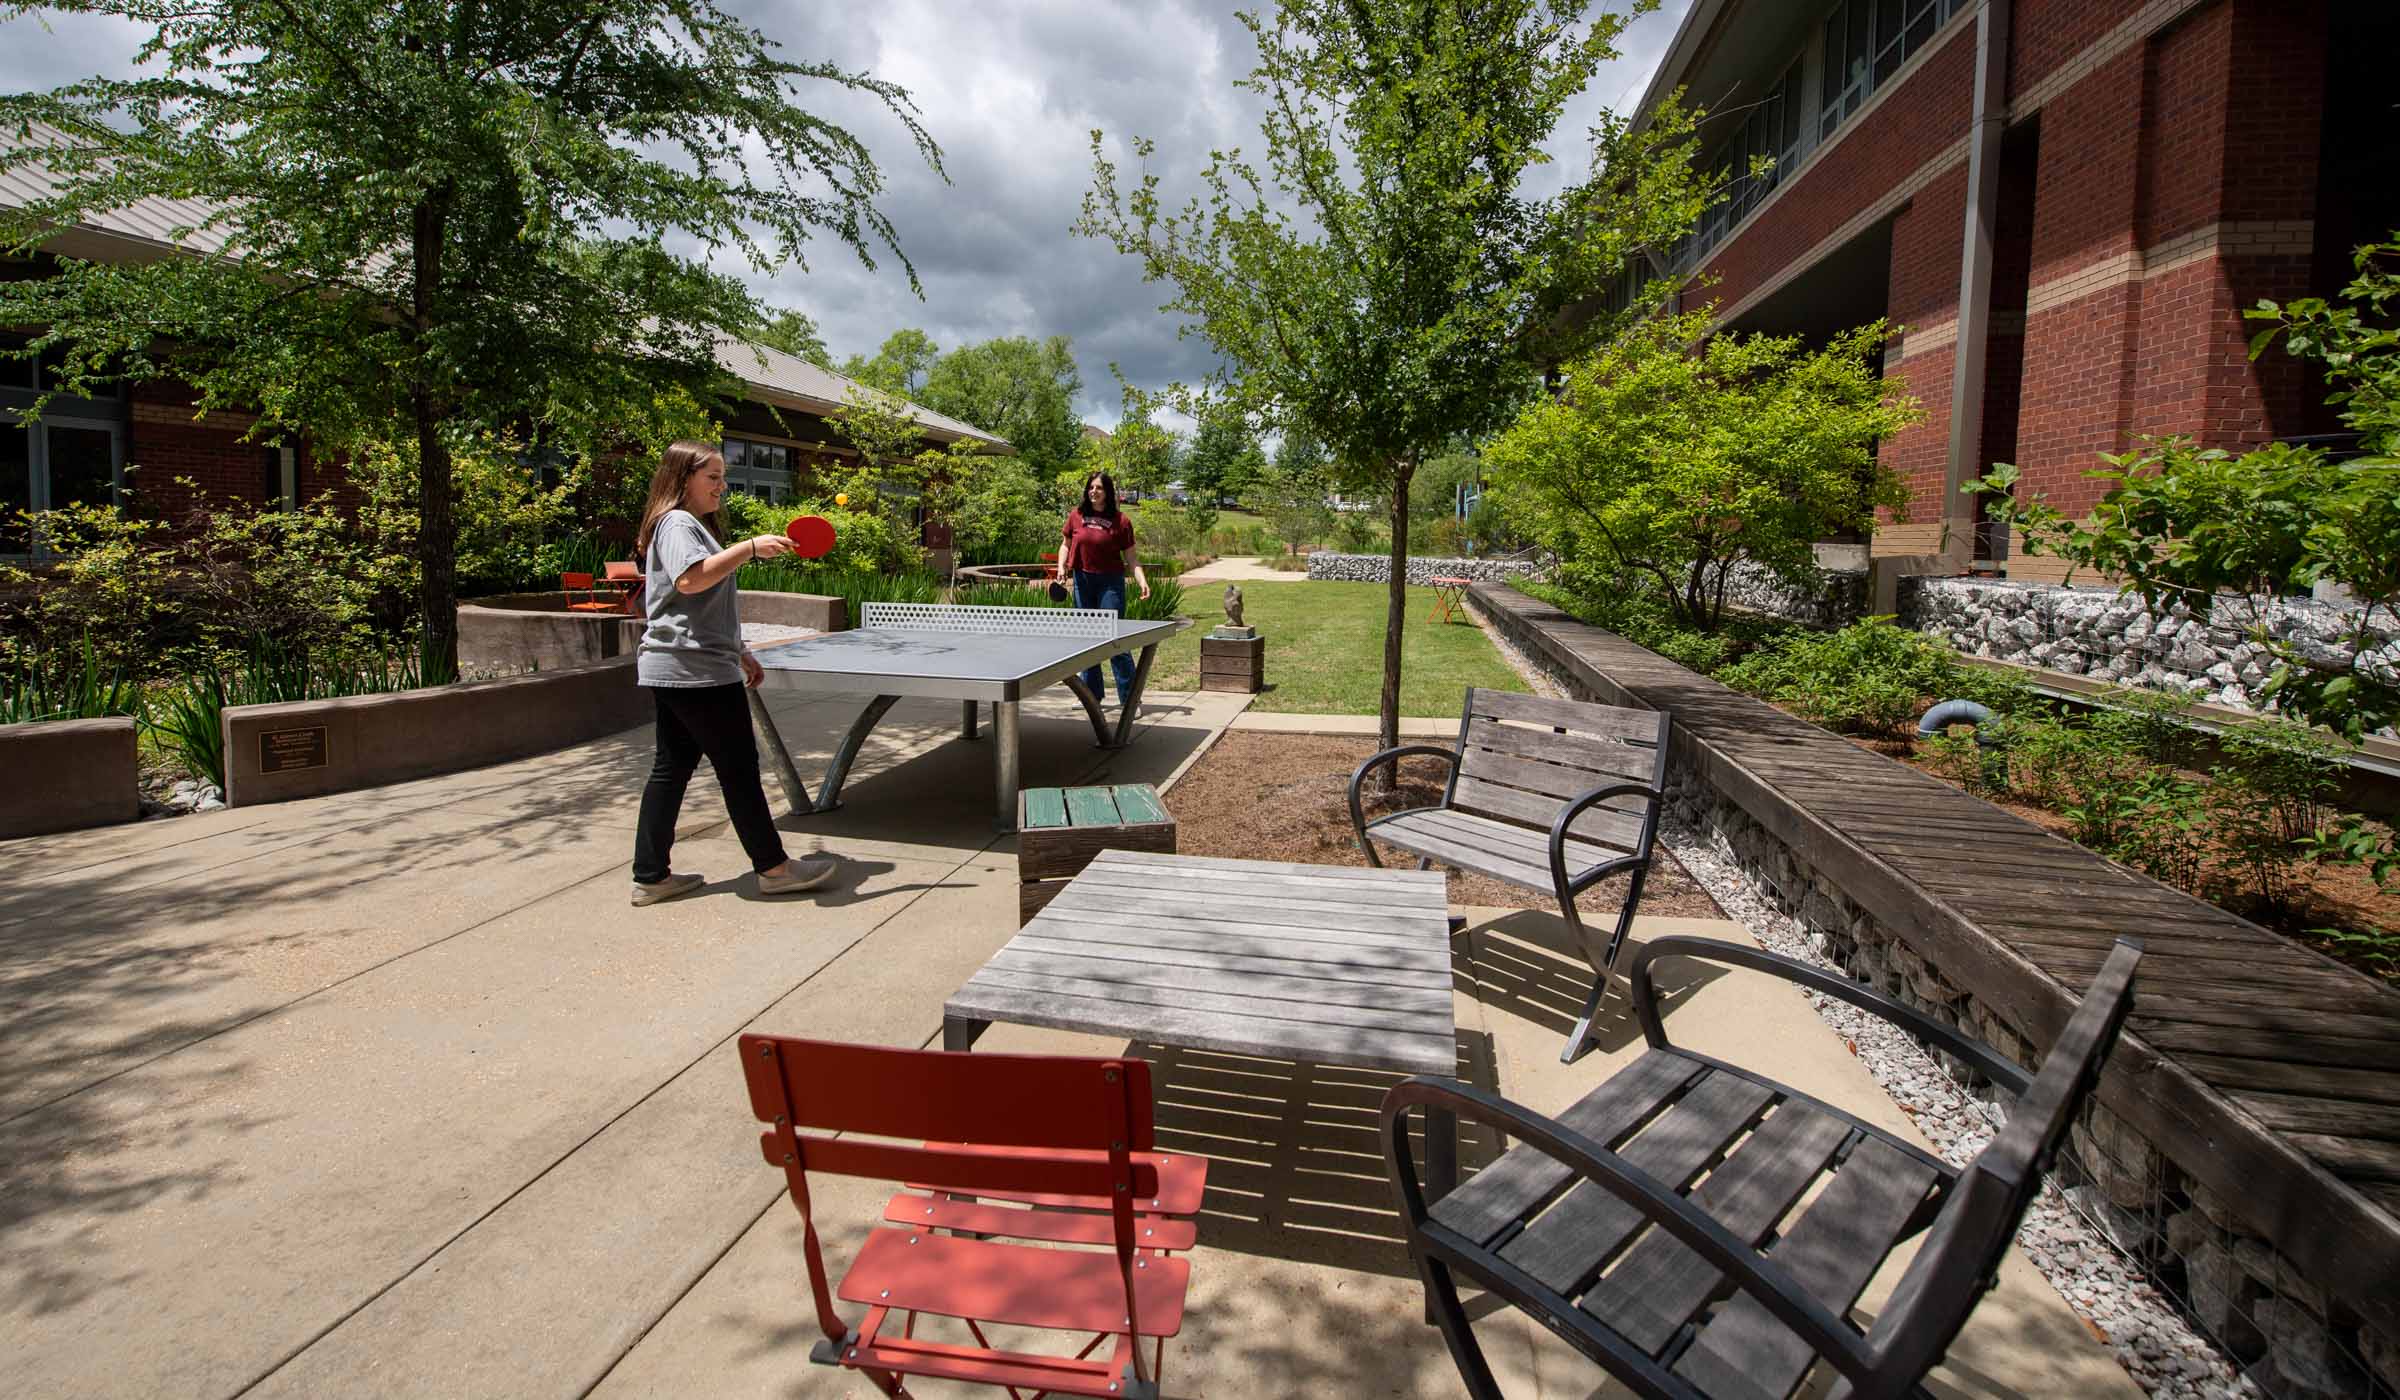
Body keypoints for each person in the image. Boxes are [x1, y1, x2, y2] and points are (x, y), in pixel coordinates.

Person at [628, 441, 836, 907]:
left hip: (677, 663)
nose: (723, 486)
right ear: (683, 479)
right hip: (694, 669)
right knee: (738, 769)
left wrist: (738, 649)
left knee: (672, 768)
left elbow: (693, 601)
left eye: (723, 476)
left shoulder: (682, 524)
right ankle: (774, 868)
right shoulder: (679, 522)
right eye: (714, 477)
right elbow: (690, 580)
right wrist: (750, 548)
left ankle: (651, 876)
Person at [1054, 470, 1151, 708]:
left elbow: (1131, 559)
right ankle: (1092, 697)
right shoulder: (1076, 516)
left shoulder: (1122, 521)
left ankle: (1130, 700)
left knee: (1115, 640)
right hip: (1082, 581)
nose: (1094, 491)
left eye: (1099, 488)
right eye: (1091, 487)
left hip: (1110, 584)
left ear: (1107, 492)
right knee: (1088, 641)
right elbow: (1065, 546)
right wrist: (1061, 567)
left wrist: (1142, 581)